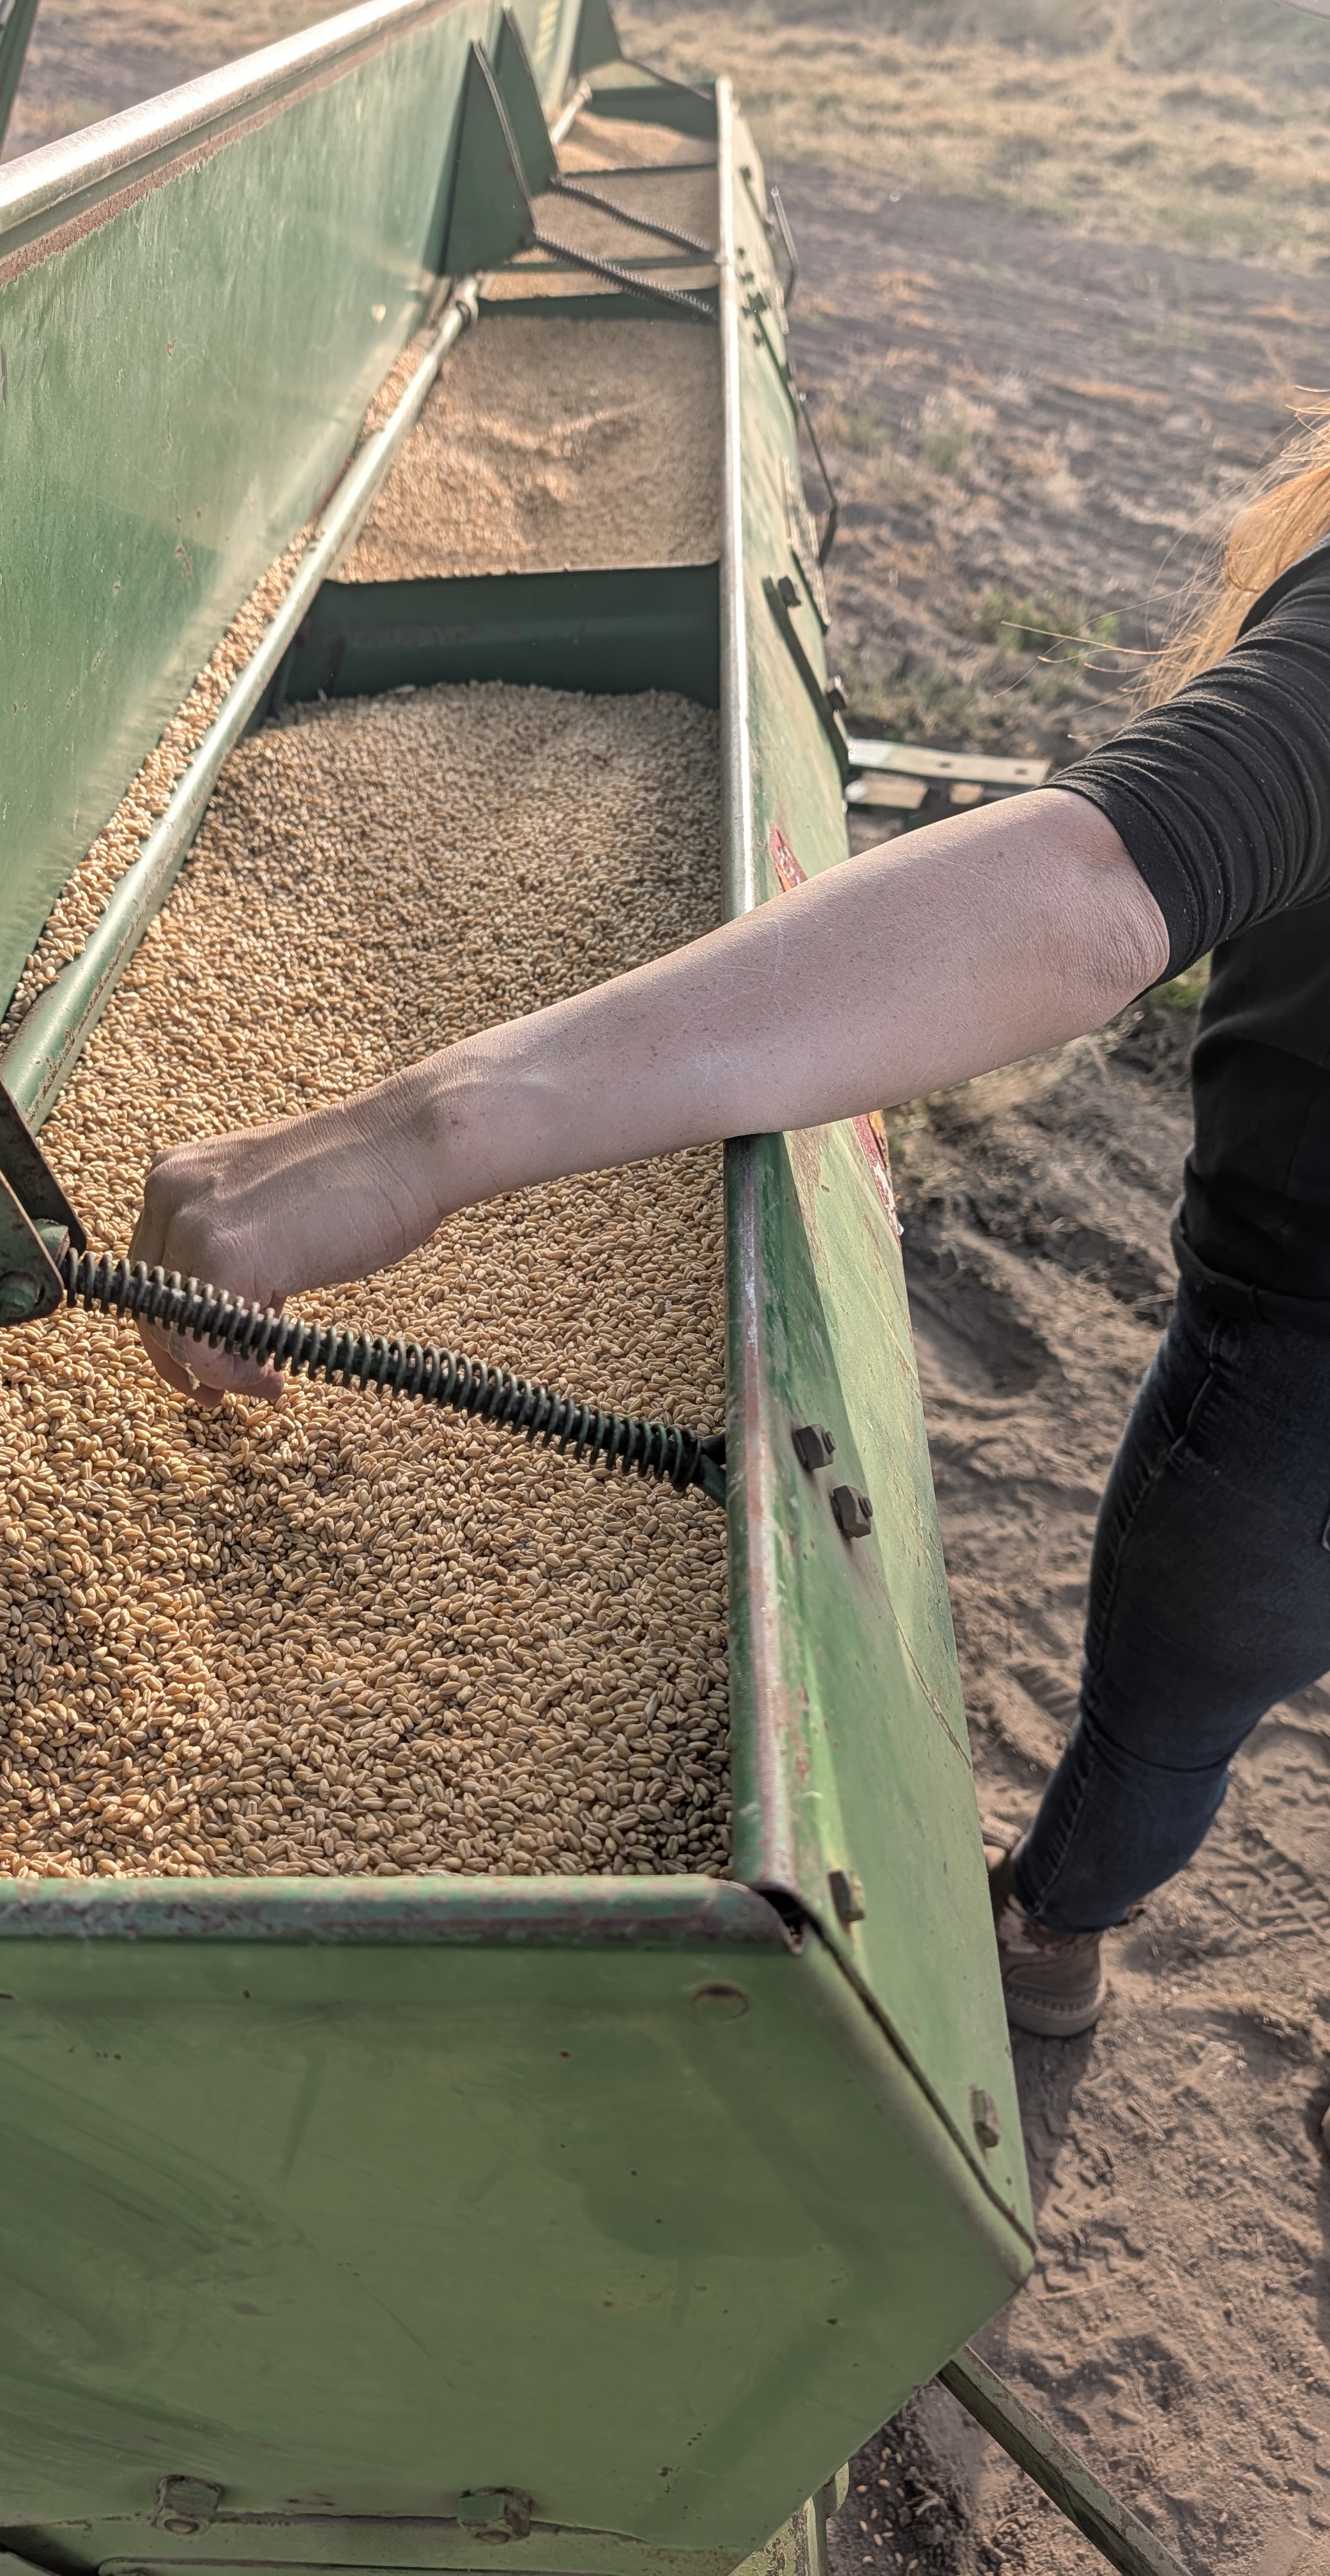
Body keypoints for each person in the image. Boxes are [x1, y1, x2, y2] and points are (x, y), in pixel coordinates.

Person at [129, 414, 1330, 2044]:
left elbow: (1097, 891)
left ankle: (1051, 1932)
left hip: (1298, 1354)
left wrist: (424, 1134)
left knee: (1173, 1708)